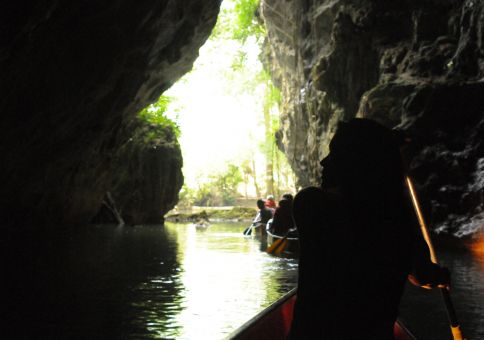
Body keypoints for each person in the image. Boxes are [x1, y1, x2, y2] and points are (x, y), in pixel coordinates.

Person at [289, 118, 449, 339]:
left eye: (335, 154)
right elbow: (423, 275)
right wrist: (440, 276)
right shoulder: (400, 223)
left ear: (356, 162)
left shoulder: (311, 205)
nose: (324, 162)